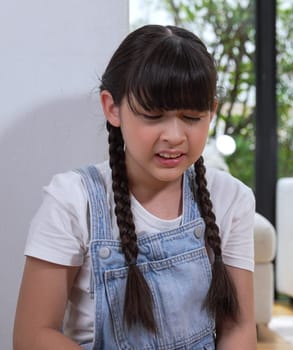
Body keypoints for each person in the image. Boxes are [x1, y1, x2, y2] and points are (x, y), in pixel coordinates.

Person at [13, 25, 256, 349]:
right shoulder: (72, 200)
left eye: (192, 117)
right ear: (113, 108)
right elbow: (33, 336)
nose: (174, 135)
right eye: (153, 116)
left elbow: (238, 329)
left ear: (211, 111)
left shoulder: (231, 198)